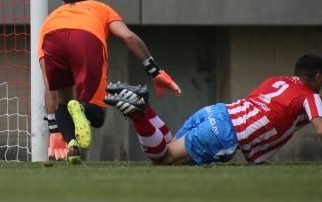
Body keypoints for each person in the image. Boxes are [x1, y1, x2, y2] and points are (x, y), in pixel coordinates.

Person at [39, 0, 181, 164]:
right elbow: (128, 36)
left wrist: (54, 130)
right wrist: (155, 71)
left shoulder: (51, 19)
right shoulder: (100, 7)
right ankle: (81, 108)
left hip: (53, 38)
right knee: (97, 116)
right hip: (87, 38)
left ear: (63, 2)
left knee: (62, 101)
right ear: (88, 0)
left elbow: (48, 83)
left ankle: (71, 146)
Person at [104, 54, 322, 165]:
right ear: (318, 76)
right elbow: (320, 128)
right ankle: (138, 113)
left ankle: (144, 108)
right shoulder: (311, 96)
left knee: (168, 148)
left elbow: (263, 113)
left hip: (218, 112)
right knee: (163, 160)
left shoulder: (277, 81)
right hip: (225, 131)